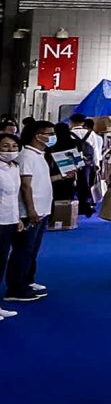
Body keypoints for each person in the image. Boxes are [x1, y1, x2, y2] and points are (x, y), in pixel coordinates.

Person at [6, 118, 55, 302]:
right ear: (38, 135)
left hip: (42, 209)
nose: (53, 137)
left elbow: (39, 181)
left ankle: (27, 280)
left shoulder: (40, 155)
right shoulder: (26, 155)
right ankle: (15, 287)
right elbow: (25, 186)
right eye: (50, 134)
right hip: (29, 212)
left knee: (32, 250)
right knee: (23, 250)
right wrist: (31, 210)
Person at [0, 131, 20, 320]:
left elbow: (13, 196)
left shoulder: (14, 167)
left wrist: (17, 218)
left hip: (9, 220)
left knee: (2, 262)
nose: (10, 150)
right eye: (5, 146)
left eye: (14, 146)